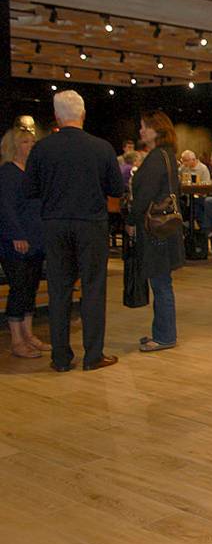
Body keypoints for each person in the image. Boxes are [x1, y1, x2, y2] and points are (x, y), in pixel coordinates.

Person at [23, 90, 123, 371]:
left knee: (59, 290)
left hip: (54, 224)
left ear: (56, 116)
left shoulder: (41, 149)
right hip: (90, 224)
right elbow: (116, 189)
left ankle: (61, 358)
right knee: (93, 288)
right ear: (83, 114)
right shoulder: (101, 147)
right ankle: (93, 356)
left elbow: (29, 189)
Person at [127, 111, 185, 352]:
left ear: (156, 130)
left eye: (144, 127)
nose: (141, 131)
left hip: (155, 231)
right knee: (162, 282)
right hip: (166, 229)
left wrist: (131, 219)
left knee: (161, 284)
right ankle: (161, 332)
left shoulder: (154, 159)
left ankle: (164, 336)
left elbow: (144, 196)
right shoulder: (167, 156)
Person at [0, 126, 49, 358]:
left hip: (36, 238)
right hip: (16, 241)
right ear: (13, 147)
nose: (30, 146)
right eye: (25, 142)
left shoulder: (32, 172)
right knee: (19, 289)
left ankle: (28, 334)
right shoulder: (8, 173)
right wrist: (16, 235)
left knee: (31, 287)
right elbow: (6, 208)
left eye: (32, 141)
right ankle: (17, 339)